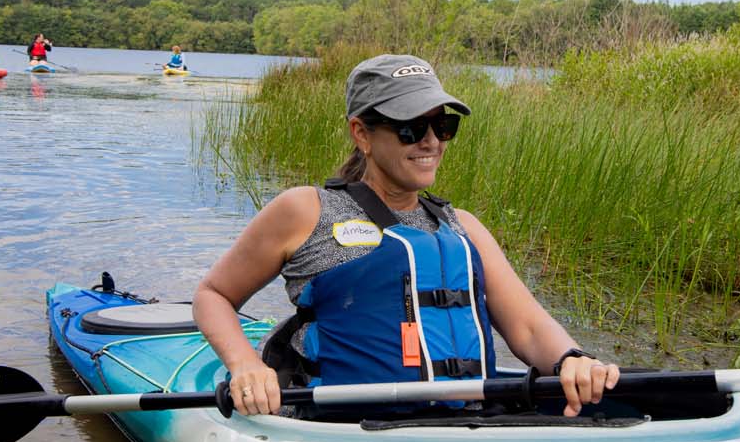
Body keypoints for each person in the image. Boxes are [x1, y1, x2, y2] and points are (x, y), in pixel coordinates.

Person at [193, 53, 620, 418]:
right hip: (349, 432)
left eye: (443, 126)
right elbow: (213, 295)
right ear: (361, 133)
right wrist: (246, 364)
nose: (432, 141)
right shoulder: (306, 210)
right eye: (411, 128)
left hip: (472, 424)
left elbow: (527, 328)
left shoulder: (462, 225)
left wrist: (573, 360)